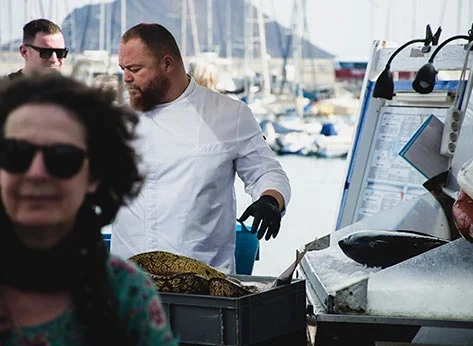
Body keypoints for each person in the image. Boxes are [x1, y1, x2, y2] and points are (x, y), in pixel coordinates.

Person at [0, 74, 178, 345]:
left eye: (62, 158)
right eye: (15, 154)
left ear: (94, 175)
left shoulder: (126, 292)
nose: (37, 173)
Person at [113, 23, 291, 273]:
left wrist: (271, 200)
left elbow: (266, 173)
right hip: (128, 286)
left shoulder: (230, 115)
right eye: (123, 69)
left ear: (167, 64)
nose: (126, 78)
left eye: (135, 69)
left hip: (204, 285)